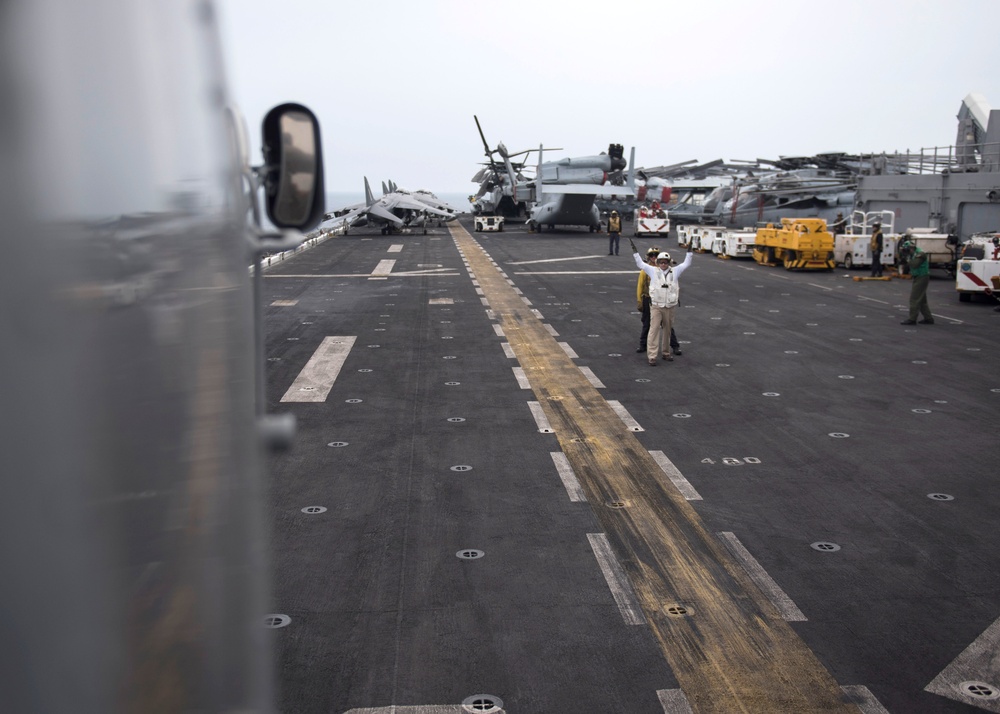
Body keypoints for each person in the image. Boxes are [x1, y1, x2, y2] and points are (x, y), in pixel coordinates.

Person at [632, 239, 693, 366]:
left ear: (669, 262)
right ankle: (652, 356)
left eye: (665, 262)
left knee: (667, 331)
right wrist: (635, 251)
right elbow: (640, 264)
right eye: (661, 262)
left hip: (669, 307)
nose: (663, 264)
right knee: (653, 330)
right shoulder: (652, 271)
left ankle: (666, 353)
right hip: (656, 306)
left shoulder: (675, 271)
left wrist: (690, 251)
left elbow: (686, 264)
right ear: (658, 263)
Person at [636, 248, 682, 355]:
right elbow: (640, 286)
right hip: (649, 299)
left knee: (668, 325)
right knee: (647, 324)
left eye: (656, 255)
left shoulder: (667, 270)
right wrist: (639, 300)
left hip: (665, 301)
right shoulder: (645, 270)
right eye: (651, 255)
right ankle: (643, 344)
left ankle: (675, 346)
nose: (653, 257)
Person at [898, 240, 934, 324]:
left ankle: (912, 319)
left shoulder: (920, 254)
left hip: (922, 276)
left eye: (907, 250)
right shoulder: (912, 254)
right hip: (918, 276)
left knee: (914, 298)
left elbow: (915, 264)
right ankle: (928, 318)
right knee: (921, 299)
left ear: (911, 248)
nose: (907, 252)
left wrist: (907, 259)